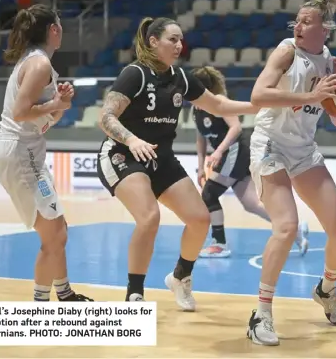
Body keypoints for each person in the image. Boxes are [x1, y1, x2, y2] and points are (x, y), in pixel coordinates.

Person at [96, 17, 259, 310]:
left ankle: (180, 277)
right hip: (122, 154)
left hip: (160, 157)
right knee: (149, 217)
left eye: (181, 40)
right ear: (153, 41)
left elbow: (219, 106)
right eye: (172, 39)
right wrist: (132, 140)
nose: (179, 45)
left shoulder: (181, 78)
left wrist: (260, 104)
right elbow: (106, 117)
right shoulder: (134, 74)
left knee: (199, 218)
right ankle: (135, 293)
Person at [246, 0, 336, 346]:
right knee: (286, 226)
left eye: (306, 21)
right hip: (270, 145)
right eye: (297, 20)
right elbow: (259, 94)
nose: (297, 24)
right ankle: (260, 314)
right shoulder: (286, 50)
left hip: (303, 150)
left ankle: (326, 290)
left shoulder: (329, 61)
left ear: (324, 29)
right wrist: (311, 97)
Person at [0, 4, 93, 302]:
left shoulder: (37, 62)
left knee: (59, 229)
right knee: (54, 236)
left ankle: (64, 293)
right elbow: (20, 112)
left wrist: (58, 105)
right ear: (53, 30)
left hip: (27, 151)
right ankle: (40, 304)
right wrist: (53, 105)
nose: (62, 29)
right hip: (20, 152)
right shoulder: (39, 65)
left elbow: (40, 118)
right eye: (60, 24)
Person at [191, 66, 309, 259]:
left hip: (235, 151)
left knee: (209, 194)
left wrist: (219, 151)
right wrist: (201, 166)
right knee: (251, 204)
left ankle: (219, 244)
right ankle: (294, 230)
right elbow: (200, 138)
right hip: (230, 155)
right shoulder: (196, 109)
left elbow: (236, 127)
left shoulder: (219, 102)